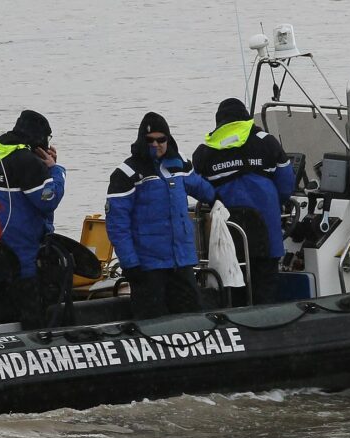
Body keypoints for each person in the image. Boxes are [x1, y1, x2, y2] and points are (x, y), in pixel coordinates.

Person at [105, 112, 216, 320]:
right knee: (152, 321)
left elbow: (203, 189)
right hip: (148, 267)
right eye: (149, 140)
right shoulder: (126, 173)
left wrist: (221, 200)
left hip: (181, 262)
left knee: (193, 318)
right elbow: (117, 225)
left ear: (168, 139)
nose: (155, 144)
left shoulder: (180, 164)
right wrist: (130, 264)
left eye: (161, 139)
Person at [192, 98, 294, 304]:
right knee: (265, 288)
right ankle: (268, 326)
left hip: (227, 237)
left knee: (232, 290)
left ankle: (235, 326)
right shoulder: (267, 142)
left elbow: (197, 186)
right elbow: (286, 184)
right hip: (267, 236)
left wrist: (215, 198)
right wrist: (277, 204)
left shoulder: (205, 151)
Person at [0, 110, 66, 329]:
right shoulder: (28, 162)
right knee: (33, 319)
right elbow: (48, 199)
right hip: (23, 257)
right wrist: (56, 170)